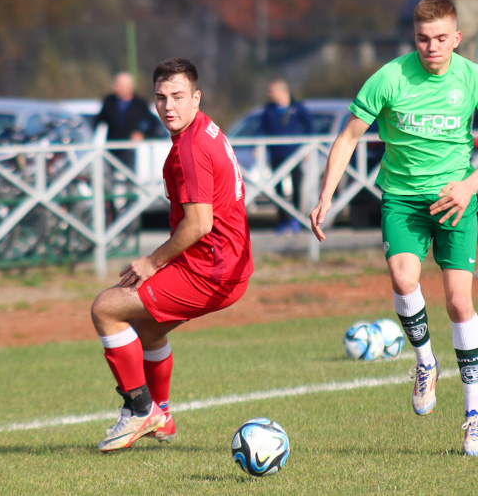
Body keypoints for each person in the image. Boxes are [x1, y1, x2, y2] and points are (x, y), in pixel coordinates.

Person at [309, 0, 478, 457]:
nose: (432, 47)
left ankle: (475, 414)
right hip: (403, 199)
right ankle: (425, 361)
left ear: (457, 38)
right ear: (414, 39)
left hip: (455, 203)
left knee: (459, 303)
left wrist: (468, 185)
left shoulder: (473, 80)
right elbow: (347, 138)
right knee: (404, 279)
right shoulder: (390, 77)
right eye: (424, 39)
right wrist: (326, 194)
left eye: (442, 38)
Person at [90, 58, 253, 453]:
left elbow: (199, 223)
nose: (169, 106)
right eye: (161, 98)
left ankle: (141, 410)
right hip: (229, 263)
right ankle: (162, 415)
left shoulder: (190, 149)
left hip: (210, 270)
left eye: (178, 96)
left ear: (196, 97)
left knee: (107, 308)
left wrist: (152, 262)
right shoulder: (205, 129)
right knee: (147, 328)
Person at [259, 78, 313, 234]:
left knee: (297, 187)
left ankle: (297, 219)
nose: (269, 94)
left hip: (295, 155)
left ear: (283, 91)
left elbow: (310, 128)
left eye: (272, 91)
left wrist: (307, 148)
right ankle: (282, 221)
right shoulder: (268, 110)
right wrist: (258, 145)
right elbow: (261, 129)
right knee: (278, 190)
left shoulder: (298, 108)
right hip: (276, 154)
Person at [94, 71, 157, 170]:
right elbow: (97, 122)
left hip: (131, 150)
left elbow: (153, 124)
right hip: (112, 149)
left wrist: (142, 134)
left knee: (129, 179)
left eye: (119, 85)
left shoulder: (139, 104)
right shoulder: (109, 102)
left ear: (129, 87)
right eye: (115, 85)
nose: (116, 88)